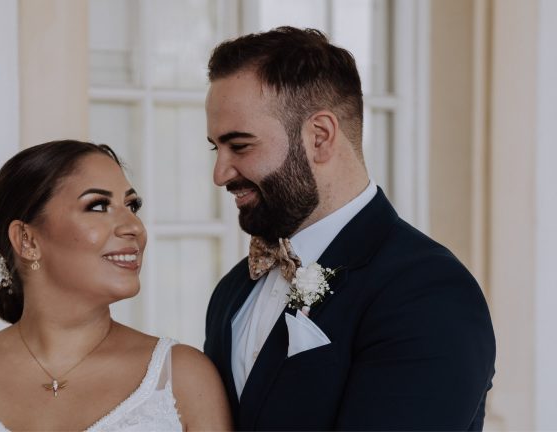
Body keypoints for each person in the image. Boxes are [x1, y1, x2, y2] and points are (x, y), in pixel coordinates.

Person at [203, 27, 495, 430]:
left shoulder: (428, 290)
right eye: (215, 148)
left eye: (240, 146)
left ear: (319, 137)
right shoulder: (233, 291)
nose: (220, 174)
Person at [0, 140, 231, 431]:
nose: (134, 227)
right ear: (27, 240)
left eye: (132, 206)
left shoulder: (183, 379)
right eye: (98, 206)